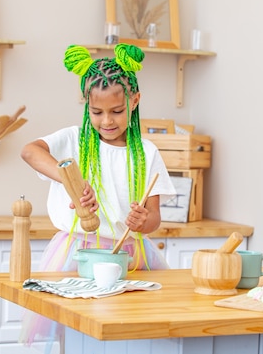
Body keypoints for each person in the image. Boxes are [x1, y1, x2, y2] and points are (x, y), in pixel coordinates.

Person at [19, 43, 175, 346]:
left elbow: (155, 218)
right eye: (97, 112)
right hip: (76, 255)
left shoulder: (147, 152)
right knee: (77, 336)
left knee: (128, 336)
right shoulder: (73, 140)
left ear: (134, 100)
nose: (107, 121)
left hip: (130, 256)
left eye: (117, 111)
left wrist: (143, 221)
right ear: (85, 106)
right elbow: (29, 151)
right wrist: (69, 180)